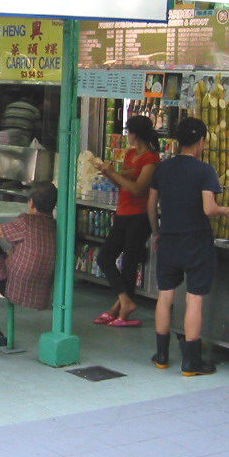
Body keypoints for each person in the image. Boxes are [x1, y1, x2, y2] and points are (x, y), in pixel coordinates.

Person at [147, 117, 229, 376]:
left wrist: (156, 233)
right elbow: (209, 209)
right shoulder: (204, 170)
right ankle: (191, 362)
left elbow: (151, 206)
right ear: (201, 141)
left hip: (169, 239)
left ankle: (162, 355)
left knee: (165, 295)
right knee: (194, 299)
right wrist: (227, 210)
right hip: (196, 241)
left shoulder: (162, 169)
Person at [92, 115, 161, 327]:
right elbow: (123, 181)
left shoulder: (151, 159)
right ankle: (123, 302)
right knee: (105, 257)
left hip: (139, 216)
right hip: (123, 212)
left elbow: (138, 189)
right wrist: (108, 173)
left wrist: (114, 173)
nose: (127, 135)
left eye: (128, 131)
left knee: (129, 263)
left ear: (135, 134)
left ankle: (121, 309)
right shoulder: (131, 154)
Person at [0, 182, 57, 309]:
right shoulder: (55, 226)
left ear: (31, 203)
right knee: (7, 255)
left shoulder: (27, 221)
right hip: (40, 296)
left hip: (14, 288)